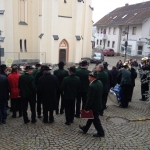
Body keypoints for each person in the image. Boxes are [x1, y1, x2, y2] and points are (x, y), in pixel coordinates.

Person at [79, 71, 105, 137]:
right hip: (98, 103)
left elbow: (90, 99)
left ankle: (101, 132)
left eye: (89, 77)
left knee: (96, 120)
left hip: (94, 106)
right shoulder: (99, 82)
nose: (88, 78)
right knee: (91, 117)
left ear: (92, 78)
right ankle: (85, 129)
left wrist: (86, 108)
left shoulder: (92, 86)